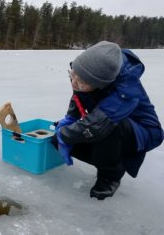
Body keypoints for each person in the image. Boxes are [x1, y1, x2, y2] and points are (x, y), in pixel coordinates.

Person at [52, 41, 163, 200]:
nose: (74, 82)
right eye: (72, 75)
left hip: (142, 132)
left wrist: (66, 135)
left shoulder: (125, 92)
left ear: (100, 84)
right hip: (107, 124)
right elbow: (79, 95)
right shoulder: (85, 76)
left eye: (81, 82)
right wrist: (70, 118)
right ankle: (106, 157)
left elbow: (98, 124)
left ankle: (111, 175)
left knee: (107, 129)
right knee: (58, 137)